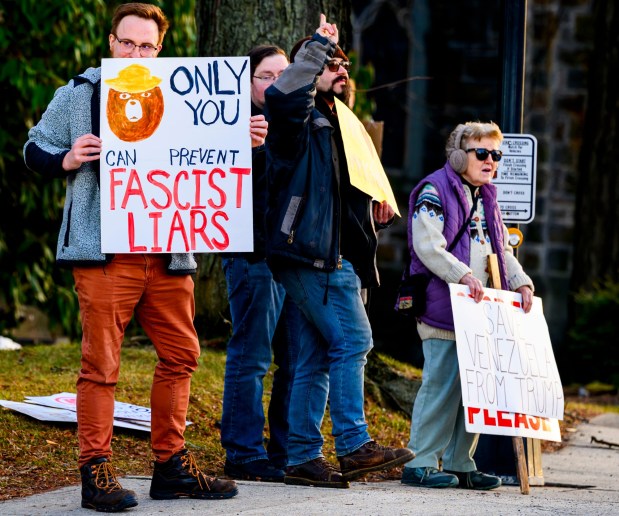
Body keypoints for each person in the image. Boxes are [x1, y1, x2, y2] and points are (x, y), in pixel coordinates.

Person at [23, 3, 243, 511]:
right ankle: (95, 470)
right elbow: (34, 148)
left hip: (168, 250)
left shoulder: (185, 93)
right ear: (111, 42)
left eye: (146, 46)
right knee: (101, 364)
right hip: (105, 254)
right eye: (127, 43)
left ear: (159, 49)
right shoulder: (80, 93)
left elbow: (212, 159)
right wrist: (66, 158)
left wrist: (244, 141)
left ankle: (170, 466)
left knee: (182, 355)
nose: (135, 52)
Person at [263, 14, 414, 489]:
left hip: (331, 253)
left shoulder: (341, 121)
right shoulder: (298, 118)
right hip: (310, 253)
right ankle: (353, 446)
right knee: (354, 342)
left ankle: (302, 458)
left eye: (344, 61)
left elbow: (338, 193)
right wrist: (314, 47)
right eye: (331, 62)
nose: (340, 67)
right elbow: (282, 95)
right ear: (309, 69)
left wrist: (374, 206)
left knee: (312, 358)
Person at [400, 121, 535, 490]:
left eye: (496, 154)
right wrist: (461, 275)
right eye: (482, 153)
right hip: (443, 307)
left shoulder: (488, 196)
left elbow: (501, 250)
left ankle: (461, 462)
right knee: (441, 385)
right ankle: (421, 461)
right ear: (460, 155)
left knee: (474, 390)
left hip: (478, 311)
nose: (490, 160)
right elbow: (428, 246)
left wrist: (521, 281)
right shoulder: (435, 189)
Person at [220, 45, 300, 483]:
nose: (274, 83)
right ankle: (244, 452)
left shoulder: (296, 119)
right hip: (252, 255)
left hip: (294, 259)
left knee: (295, 357)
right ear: (246, 83)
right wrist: (251, 149)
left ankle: (285, 450)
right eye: (264, 76)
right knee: (251, 355)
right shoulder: (226, 124)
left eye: (282, 74)